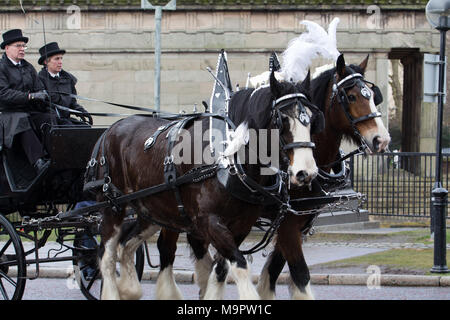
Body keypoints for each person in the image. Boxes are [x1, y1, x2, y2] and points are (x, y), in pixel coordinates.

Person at [0, 29, 53, 174]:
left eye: (24, 46)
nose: (22, 49)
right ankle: (38, 161)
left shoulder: (28, 67)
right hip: (8, 115)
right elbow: (3, 93)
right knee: (21, 119)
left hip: (29, 111)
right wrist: (30, 97)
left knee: (50, 118)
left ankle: (57, 156)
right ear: (7, 48)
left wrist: (44, 97)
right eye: (18, 46)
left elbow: (38, 88)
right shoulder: (2, 67)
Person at [37, 42, 92, 125]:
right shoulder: (39, 79)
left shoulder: (68, 79)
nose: (60, 62)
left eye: (61, 58)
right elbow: (42, 105)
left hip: (66, 119)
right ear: (46, 62)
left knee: (86, 128)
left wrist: (81, 111)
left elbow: (72, 102)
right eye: (56, 59)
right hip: (51, 121)